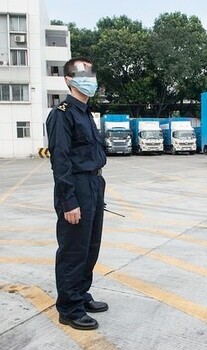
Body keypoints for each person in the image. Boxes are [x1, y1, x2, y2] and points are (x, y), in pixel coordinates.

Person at [46, 57, 108, 330]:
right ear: (68, 80)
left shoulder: (86, 113)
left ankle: (81, 294)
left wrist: (98, 192)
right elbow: (60, 162)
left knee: (91, 246)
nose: (89, 78)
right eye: (83, 74)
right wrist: (69, 201)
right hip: (76, 187)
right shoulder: (62, 114)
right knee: (74, 249)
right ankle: (69, 307)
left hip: (94, 185)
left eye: (91, 74)